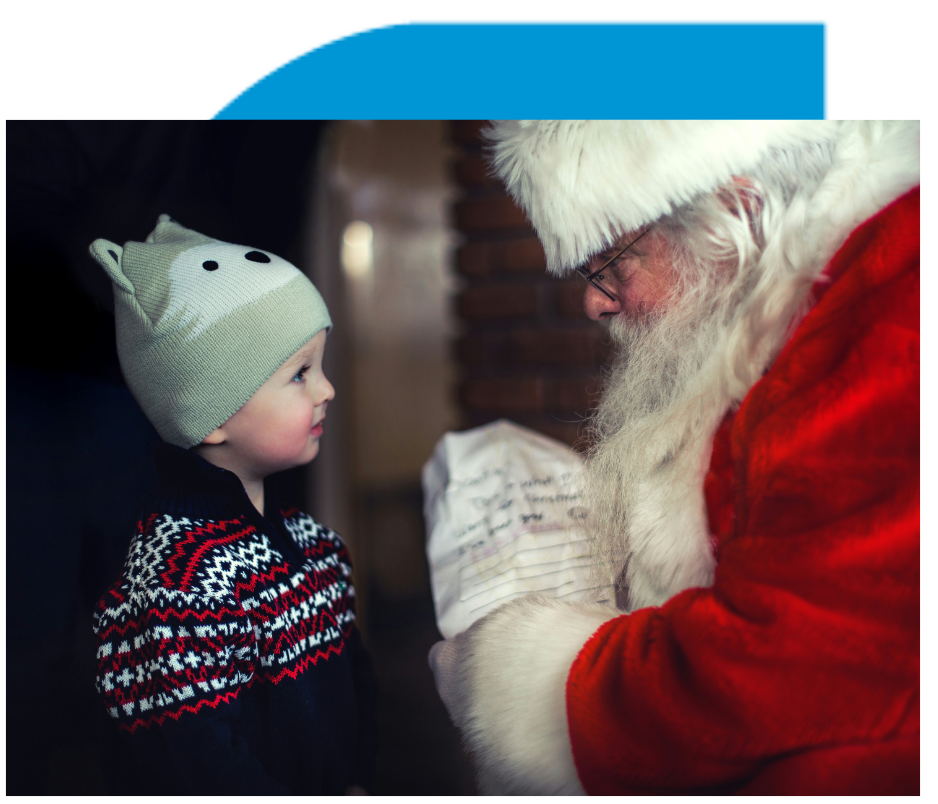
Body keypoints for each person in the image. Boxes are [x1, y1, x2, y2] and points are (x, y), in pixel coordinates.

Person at [428, 120, 919, 795]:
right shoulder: (805, 300)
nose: (594, 303)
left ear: (736, 212)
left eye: (611, 264)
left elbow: (788, 673)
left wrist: (516, 680)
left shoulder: (900, 303)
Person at [90, 214, 377, 795]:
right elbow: (202, 766)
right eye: (299, 374)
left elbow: (361, 699)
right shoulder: (173, 584)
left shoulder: (316, 547)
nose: (327, 390)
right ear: (212, 414)